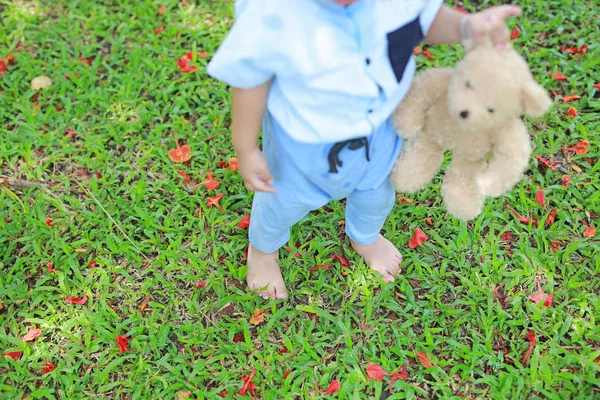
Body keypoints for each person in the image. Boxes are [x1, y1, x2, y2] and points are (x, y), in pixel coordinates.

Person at [207, 0, 521, 299]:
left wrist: (466, 26)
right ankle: (262, 250)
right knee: (282, 202)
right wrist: (246, 149)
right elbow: (251, 82)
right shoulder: (273, 13)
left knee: (377, 194)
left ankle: (365, 238)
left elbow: (421, 18)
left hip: (380, 127)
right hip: (303, 143)